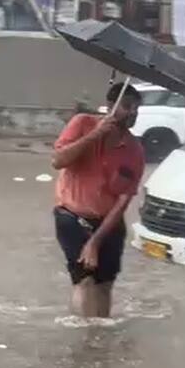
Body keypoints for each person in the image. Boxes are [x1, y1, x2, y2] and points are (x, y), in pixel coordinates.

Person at [52, 83, 144, 318]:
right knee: (84, 281)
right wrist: (95, 135)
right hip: (72, 216)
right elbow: (58, 160)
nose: (133, 112)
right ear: (111, 106)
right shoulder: (82, 123)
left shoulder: (134, 151)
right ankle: (84, 340)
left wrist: (95, 241)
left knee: (104, 285)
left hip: (108, 224)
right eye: (126, 106)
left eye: (136, 108)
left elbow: (122, 202)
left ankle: (101, 340)